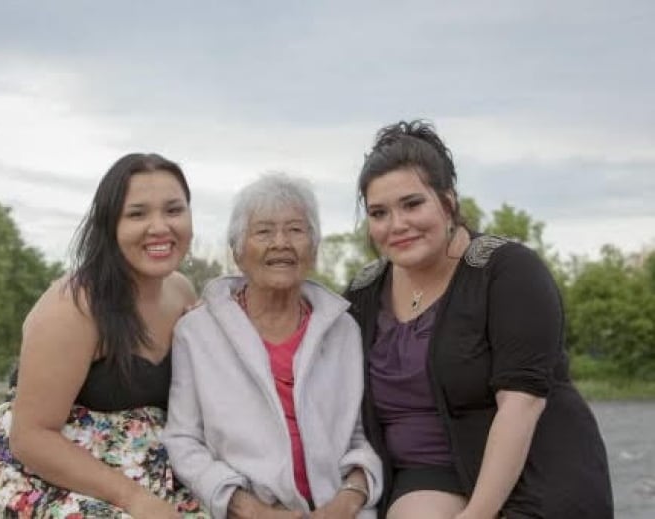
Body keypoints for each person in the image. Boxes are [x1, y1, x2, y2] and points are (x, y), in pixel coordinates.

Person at [344, 120, 613, 519]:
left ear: (448, 201)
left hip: (533, 472)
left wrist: (477, 515)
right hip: (428, 475)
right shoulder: (363, 294)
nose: (396, 225)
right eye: (379, 213)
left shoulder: (508, 271)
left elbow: (521, 405)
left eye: (412, 204)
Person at [0, 153, 208, 518]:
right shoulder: (73, 307)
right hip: (50, 474)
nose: (160, 226)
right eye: (137, 214)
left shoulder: (182, 293)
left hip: (151, 468)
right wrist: (136, 501)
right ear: (109, 225)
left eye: (174, 210)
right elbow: (31, 437)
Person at [162, 173, 383, 518]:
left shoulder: (343, 329)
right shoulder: (196, 333)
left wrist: (348, 500)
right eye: (263, 231)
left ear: (313, 248)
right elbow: (183, 440)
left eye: (296, 230)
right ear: (237, 251)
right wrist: (248, 509)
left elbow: (355, 436)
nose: (281, 242)